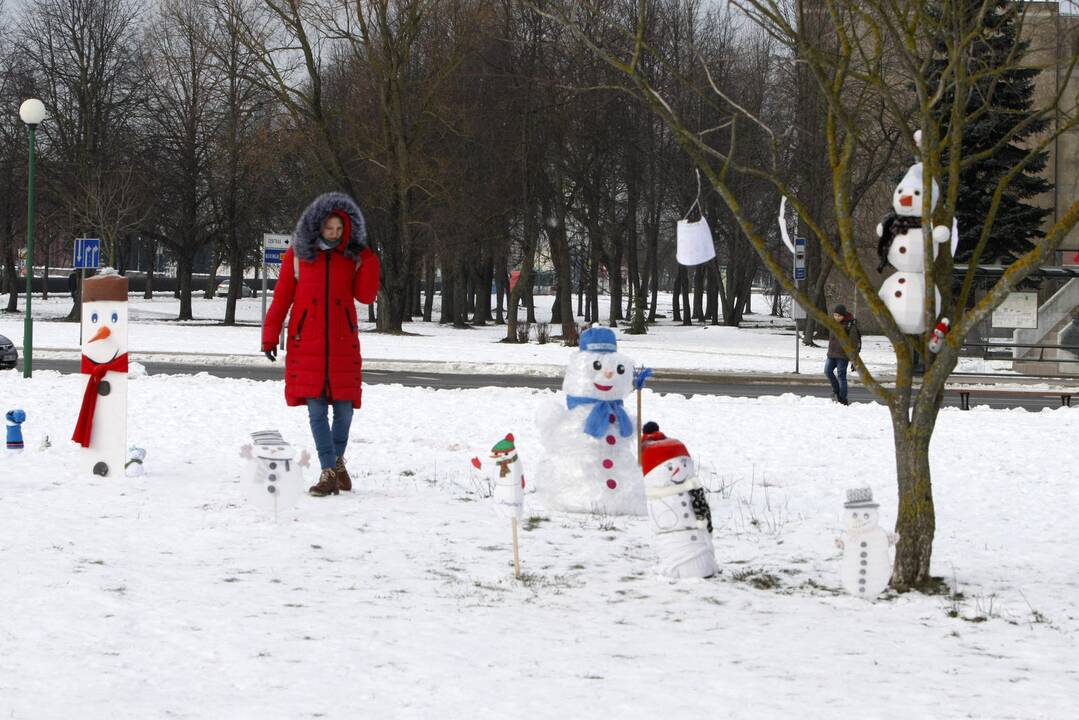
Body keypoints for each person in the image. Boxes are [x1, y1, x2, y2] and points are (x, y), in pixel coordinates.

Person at [262, 193, 381, 496]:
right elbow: (282, 298)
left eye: (339, 229)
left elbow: (366, 296)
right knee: (316, 412)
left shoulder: (351, 257)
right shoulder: (299, 256)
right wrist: (270, 335)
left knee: (344, 412)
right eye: (329, 228)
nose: (334, 234)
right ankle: (329, 471)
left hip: (342, 344)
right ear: (317, 226)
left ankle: (337, 465)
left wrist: (368, 258)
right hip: (307, 344)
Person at [825, 303, 860, 406]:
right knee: (827, 371)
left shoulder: (850, 326)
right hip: (831, 354)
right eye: (835, 315)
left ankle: (843, 398)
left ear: (844, 315)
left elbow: (854, 343)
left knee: (841, 377)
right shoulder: (833, 323)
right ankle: (836, 390)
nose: (836, 317)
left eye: (839, 316)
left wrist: (854, 358)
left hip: (843, 356)